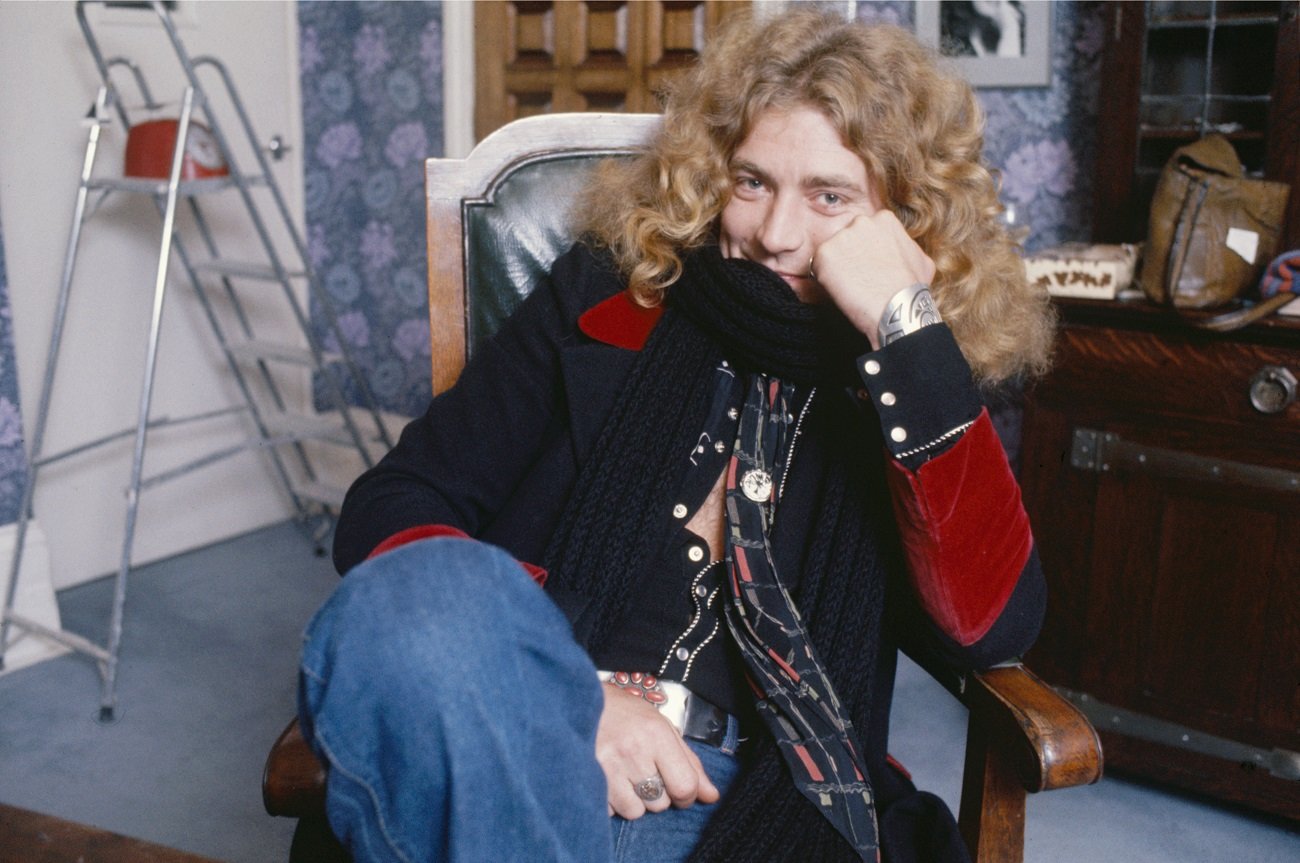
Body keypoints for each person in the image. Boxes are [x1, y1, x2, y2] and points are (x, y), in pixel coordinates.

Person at [297, 7, 1055, 863]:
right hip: (527, 741)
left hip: (744, 797)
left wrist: (908, 335)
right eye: (752, 181)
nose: (775, 236)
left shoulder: (913, 381)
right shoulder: (607, 296)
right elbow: (395, 503)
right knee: (402, 607)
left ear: (903, 220)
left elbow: (993, 628)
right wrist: (563, 698)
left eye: (830, 197)